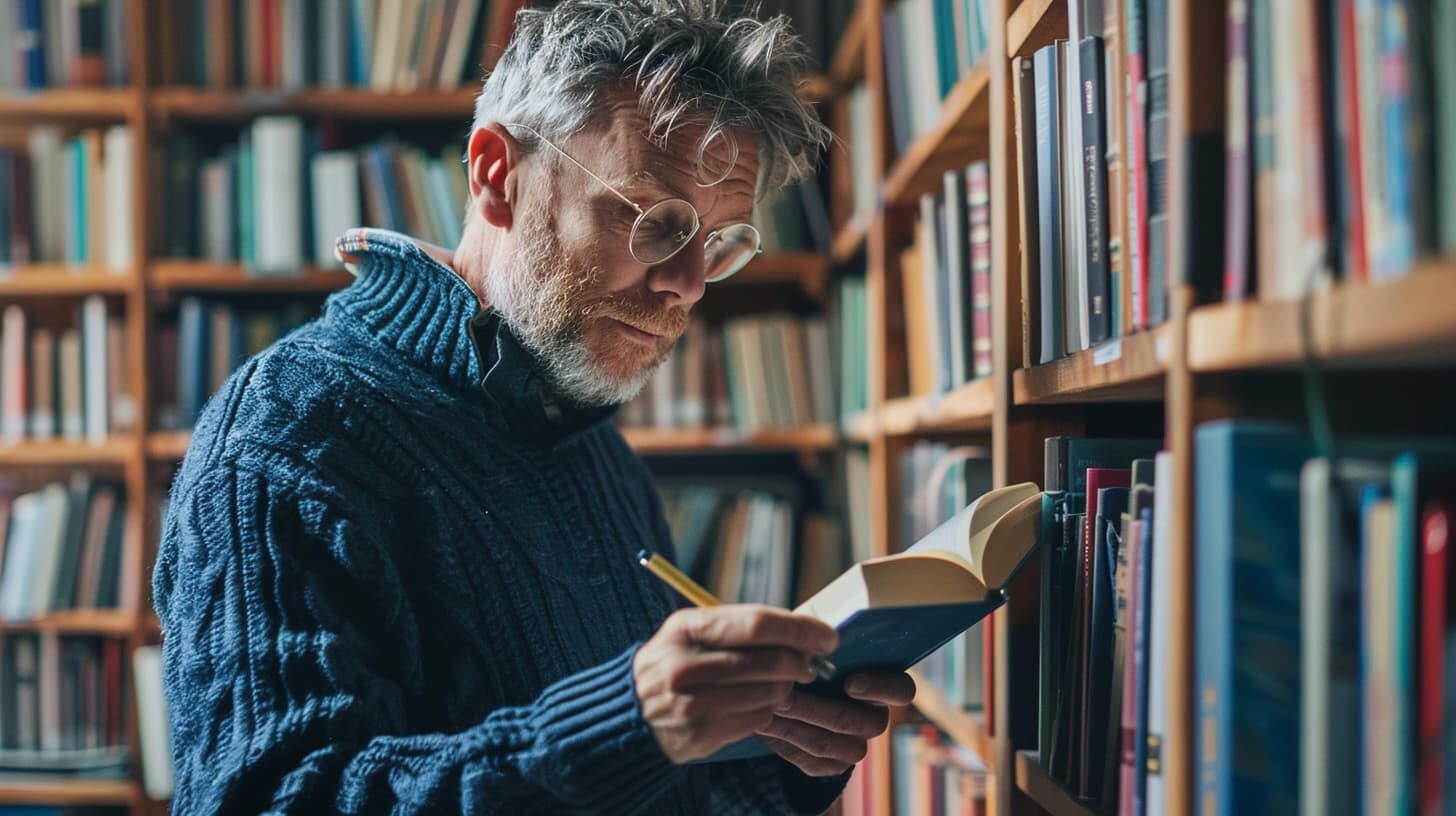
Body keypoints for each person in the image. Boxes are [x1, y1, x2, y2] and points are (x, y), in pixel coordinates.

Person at [153, 1, 915, 813]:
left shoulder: (591, 443)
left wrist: (786, 757)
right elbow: (263, 800)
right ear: (495, 174)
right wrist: (627, 723)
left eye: (719, 243)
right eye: (654, 219)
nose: (688, 285)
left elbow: (653, 782)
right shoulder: (286, 437)